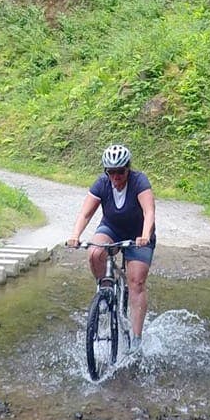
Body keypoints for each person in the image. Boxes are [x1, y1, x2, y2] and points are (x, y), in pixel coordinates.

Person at [67, 143, 156, 351]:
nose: (116, 177)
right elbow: (86, 214)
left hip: (138, 233)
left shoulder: (139, 182)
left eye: (120, 172)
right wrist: (75, 235)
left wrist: (145, 235)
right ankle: (105, 292)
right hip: (112, 228)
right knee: (95, 252)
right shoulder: (101, 184)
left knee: (136, 282)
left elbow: (149, 211)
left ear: (128, 168)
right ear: (106, 171)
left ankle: (136, 339)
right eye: (111, 172)